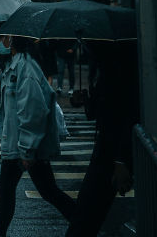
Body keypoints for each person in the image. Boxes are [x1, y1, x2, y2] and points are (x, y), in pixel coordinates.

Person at [0, 32, 76, 237]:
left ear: (10, 40)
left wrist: (27, 149)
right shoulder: (13, 65)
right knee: (27, 191)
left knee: (45, 191)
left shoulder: (27, 67)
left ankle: (83, 223)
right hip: (17, 145)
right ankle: (83, 222)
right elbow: (6, 100)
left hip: (24, 147)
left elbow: (33, 111)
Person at [65, 41, 139, 237]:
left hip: (112, 152)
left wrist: (121, 160)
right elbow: (99, 111)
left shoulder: (120, 70)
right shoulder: (103, 69)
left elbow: (128, 115)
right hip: (104, 148)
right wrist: (85, 100)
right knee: (86, 212)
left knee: (88, 212)